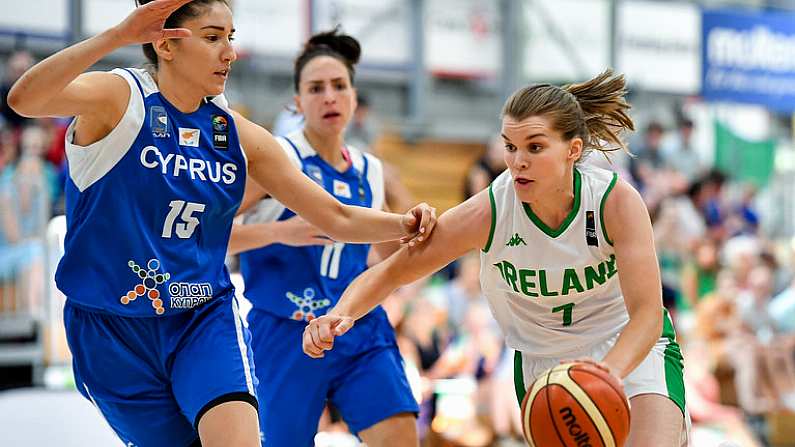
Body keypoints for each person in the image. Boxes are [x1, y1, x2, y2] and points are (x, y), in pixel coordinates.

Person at [6, 1, 435, 446]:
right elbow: (24, 99)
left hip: (201, 315)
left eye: (230, 38)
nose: (229, 52)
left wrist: (405, 223)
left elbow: (336, 216)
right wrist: (117, 35)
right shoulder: (121, 99)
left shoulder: (235, 133)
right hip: (111, 328)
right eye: (212, 38)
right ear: (166, 44)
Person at [304, 70, 689, 447]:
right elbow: (392, 272)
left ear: (573, 150)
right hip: (546, 365)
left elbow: (648, 316)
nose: (517, 161)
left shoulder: (615, 202)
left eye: (534, 148)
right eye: (510, 146)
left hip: (626, 347)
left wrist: (604, 376)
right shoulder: (490, 212)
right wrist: (340, 313)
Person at [228, 29, 419, 447]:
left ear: (353, 97)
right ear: (297, 102)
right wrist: (281, 231)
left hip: (357, 324)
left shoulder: (372, 170)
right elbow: (210, 236)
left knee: (400, 436)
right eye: (316, 88)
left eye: (339, 86)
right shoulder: (277, 160)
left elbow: (384, 257)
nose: (329, 97)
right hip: (286, 329)